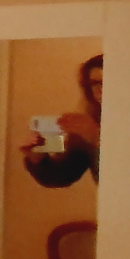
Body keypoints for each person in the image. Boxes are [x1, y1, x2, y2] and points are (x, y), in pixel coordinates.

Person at [21, 54, 102, 187]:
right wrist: (38, 158)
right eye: (94, 84)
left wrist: (96, 137)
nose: (100, 90)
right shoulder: (90, 120)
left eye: (105, 82)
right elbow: (64, 174)